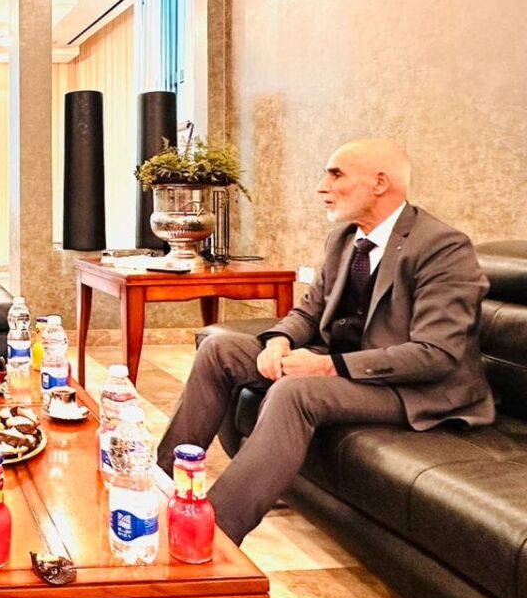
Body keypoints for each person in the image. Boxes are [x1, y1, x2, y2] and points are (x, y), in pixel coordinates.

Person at [157, 138, 493, 545]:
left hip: (415, 388)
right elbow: (310, 312)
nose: (322, 187)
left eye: (335, 175)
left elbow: (436, 355)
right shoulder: (344, 239)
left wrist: (328, 366)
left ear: (380, 183)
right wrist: (279, 341)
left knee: (295, 392)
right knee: (220, 350)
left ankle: (206, 538)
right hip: (350, 369)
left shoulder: (443, 247)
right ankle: (157, 487)